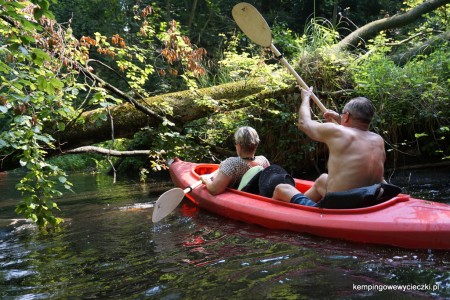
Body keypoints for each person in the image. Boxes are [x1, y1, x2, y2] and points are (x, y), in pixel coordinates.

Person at [273, 87, 386, 206]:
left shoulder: (338, 132)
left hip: (342, 206)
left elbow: (304, 123)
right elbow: (355, 129)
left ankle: (291, 216)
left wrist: (306, 97)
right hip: (370, 199)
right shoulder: (378, 140)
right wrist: (339, 117)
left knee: (281, 189)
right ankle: (302, 210)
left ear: (347, 116)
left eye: (343, 115)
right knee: (322, 179)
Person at [200, 126, 270, 195]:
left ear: (239, 146)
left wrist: (206, 180)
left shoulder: (232, 164)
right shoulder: (263, 161)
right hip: (254, 198)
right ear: (256, 145)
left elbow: (214, 190)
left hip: (235, 202)